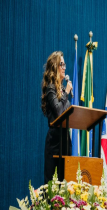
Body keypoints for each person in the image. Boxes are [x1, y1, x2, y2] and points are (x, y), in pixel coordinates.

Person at [41, 51, 73, 184]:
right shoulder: (51, 89)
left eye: (65, 64)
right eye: (62, 64)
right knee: (53, 185)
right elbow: (59, 112)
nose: (65, 67)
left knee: (65, 184)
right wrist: (66, 92)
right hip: (55, 142)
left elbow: (69, 113)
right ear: (55, 66)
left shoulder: (61, 91)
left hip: (65, 141)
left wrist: (65, 94)